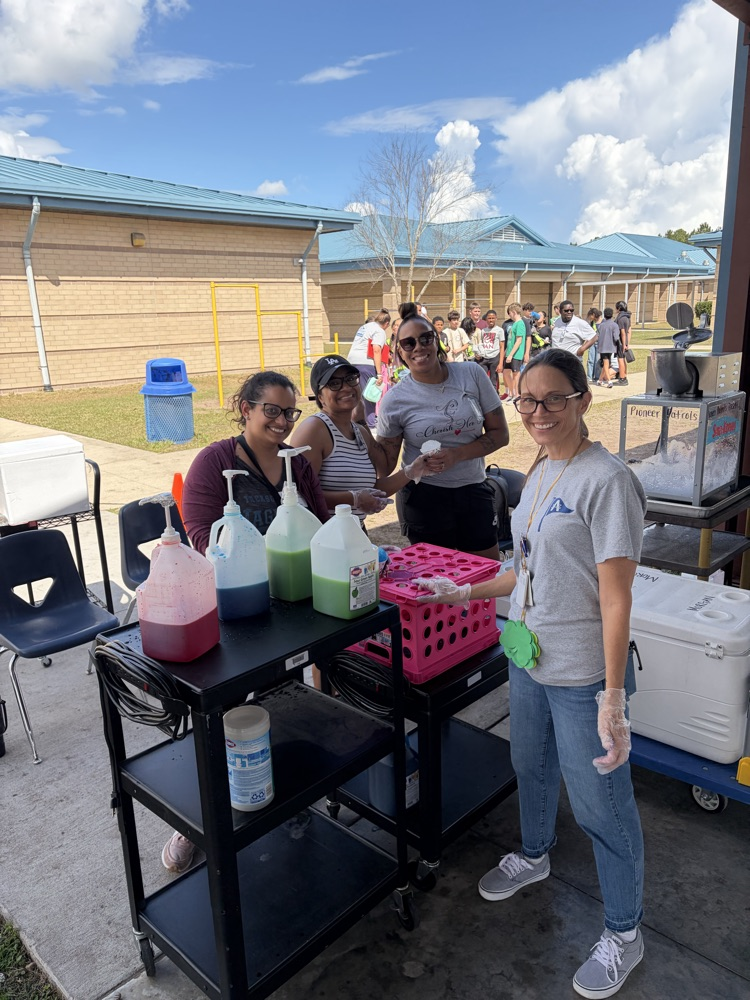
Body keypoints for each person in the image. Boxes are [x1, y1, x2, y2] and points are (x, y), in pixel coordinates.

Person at [415, 347, 646, 999]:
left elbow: (615, 596)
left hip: (581, 675)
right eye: (526, 400)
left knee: (603, 806)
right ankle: (536, 853)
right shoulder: (541, 468)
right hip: (527, 655)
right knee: (530, 764)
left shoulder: (607, 481)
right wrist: (461, 593)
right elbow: (529, 569)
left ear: (584, 400)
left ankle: (625, 934)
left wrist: (611, 698)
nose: (538, 412)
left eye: (553, 399)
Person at [164, 370, 330, 875]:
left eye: (290, 413)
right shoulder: (216, 460)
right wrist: (242, 558)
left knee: (281, 704)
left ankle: (288, 799)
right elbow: (198, 533)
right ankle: (196, 819)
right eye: (272, 411)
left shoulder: (295, 464)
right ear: (245, 408)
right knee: (224, 713)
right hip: (233, 606)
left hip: (292, 604)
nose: (282, 422)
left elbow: (318, 520)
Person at [376, 302, 510, 558]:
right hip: (424, 496)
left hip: (473, 488)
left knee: (484, 573)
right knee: (432, 580)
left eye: (426, 338)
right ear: (399, 351)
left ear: (437, 340)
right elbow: (385, 465)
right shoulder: (395, 400)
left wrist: (456, 455)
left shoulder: (471, 374)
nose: (418, 347)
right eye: (408, 343)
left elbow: (500, 434)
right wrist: (357, 427)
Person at [290, 354, 432, 523]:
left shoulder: (360, 432)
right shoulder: (314, 429)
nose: (346, 387)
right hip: (322, 538)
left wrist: (412, 470)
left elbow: (371, 488)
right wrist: (354, 499)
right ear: (320, 396)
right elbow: (301, 492)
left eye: (350, 379)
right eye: (334, 384)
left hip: (354, 534)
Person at [347, 309, 391, 427]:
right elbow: (376, 350)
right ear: (386, 323)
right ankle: (370, 423)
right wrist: (379, 373)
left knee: (357, 393)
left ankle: (356, 421)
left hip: (352, 362)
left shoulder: (365, 327)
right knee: (371, 393)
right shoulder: (379, 331)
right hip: (365, 363)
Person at [472, 309, 504, 391]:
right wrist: (478, 354)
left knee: (493, 379)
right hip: (484, 357)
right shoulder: (483, 331)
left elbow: (502, 347)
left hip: (495, 357)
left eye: (493, 318)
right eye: (489, 318)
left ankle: (493, 397)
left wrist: (500, 363)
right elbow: (480, 344)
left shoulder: (500, 330)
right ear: (486, 319)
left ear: (496, 318)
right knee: (482, 377)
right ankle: (483, 395)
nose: (491, 320)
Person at [503, 303, 527, 400]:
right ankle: (512, 393)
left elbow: (519, 340)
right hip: (509, 353)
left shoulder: (520, 323)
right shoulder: (515, 324)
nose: (510, 316)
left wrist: (511, 354)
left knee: (515, 374)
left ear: (513, 312)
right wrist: (506, 352)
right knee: (505, 373)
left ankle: (517, 395)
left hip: (516, 354)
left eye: (510, 313)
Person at [596, 307, 621, 387]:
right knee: (606, 363)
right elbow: (616, 337)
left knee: (606, 363)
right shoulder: (615, 325)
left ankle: (600, 380)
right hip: (611, 347)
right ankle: (609, 381)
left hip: (602, 346)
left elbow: (598, 334)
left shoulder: (601, 326)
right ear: (612, 315)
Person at [615, 301, 632, 386]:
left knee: (620, 359)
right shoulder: (628, 317)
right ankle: (624, 375)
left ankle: (622, 378)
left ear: (619, 308)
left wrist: (623, 344)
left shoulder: (621, 318)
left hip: (620, 342)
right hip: (625, 342)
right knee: (623, 359)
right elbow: (629, 331)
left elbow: (622, 332)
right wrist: (628, 343)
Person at [586, 307, 602, 384]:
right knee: (590, 360)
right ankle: (589, 377)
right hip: (592, 342)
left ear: (593, 315)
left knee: (597, 360)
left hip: (599, 343)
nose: (589, 318)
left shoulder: (601, 322)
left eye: (590, 316)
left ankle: (597, 376)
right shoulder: (592, 323)